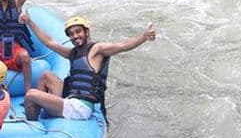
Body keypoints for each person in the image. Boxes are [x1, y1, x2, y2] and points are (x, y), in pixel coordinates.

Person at [18, 12, 156, 121]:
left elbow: (123, 46)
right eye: (71, 34)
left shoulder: (97, 49)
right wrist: (29, 21)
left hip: (80, 109)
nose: (75, 36)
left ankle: (32, 124)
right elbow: (49, 42)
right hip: (70, 101)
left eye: (78, 31)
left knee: (30, 94)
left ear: (87, 32)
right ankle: (42, 113)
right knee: (46, 76)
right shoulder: (72, 53)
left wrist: (144, 36)